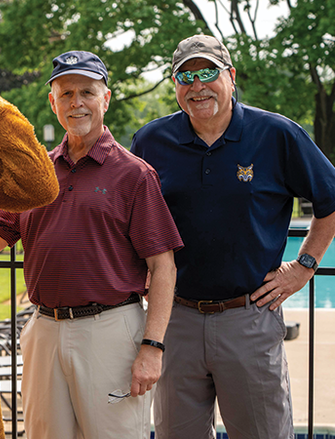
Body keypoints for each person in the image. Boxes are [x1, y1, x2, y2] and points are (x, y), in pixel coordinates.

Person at [131, 34, 335, 438]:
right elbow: (134, 217)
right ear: (175, 86)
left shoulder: (277, 134)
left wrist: (305, 265)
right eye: (184, 77)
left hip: (249, 319)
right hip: (176, 322)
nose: (197, 86)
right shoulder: (151, 141)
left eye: (208, 72)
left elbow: (331, 200)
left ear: (231, 76)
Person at [0, 50, 183, 439]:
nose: (77, 102)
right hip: (43, 328)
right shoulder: (35, 172)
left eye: (87, 92)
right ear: (53, 102)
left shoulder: (134, 174)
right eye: (67, 93)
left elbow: (163, 267)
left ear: (105, 99)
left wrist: (153, 347)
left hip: (109, 330)